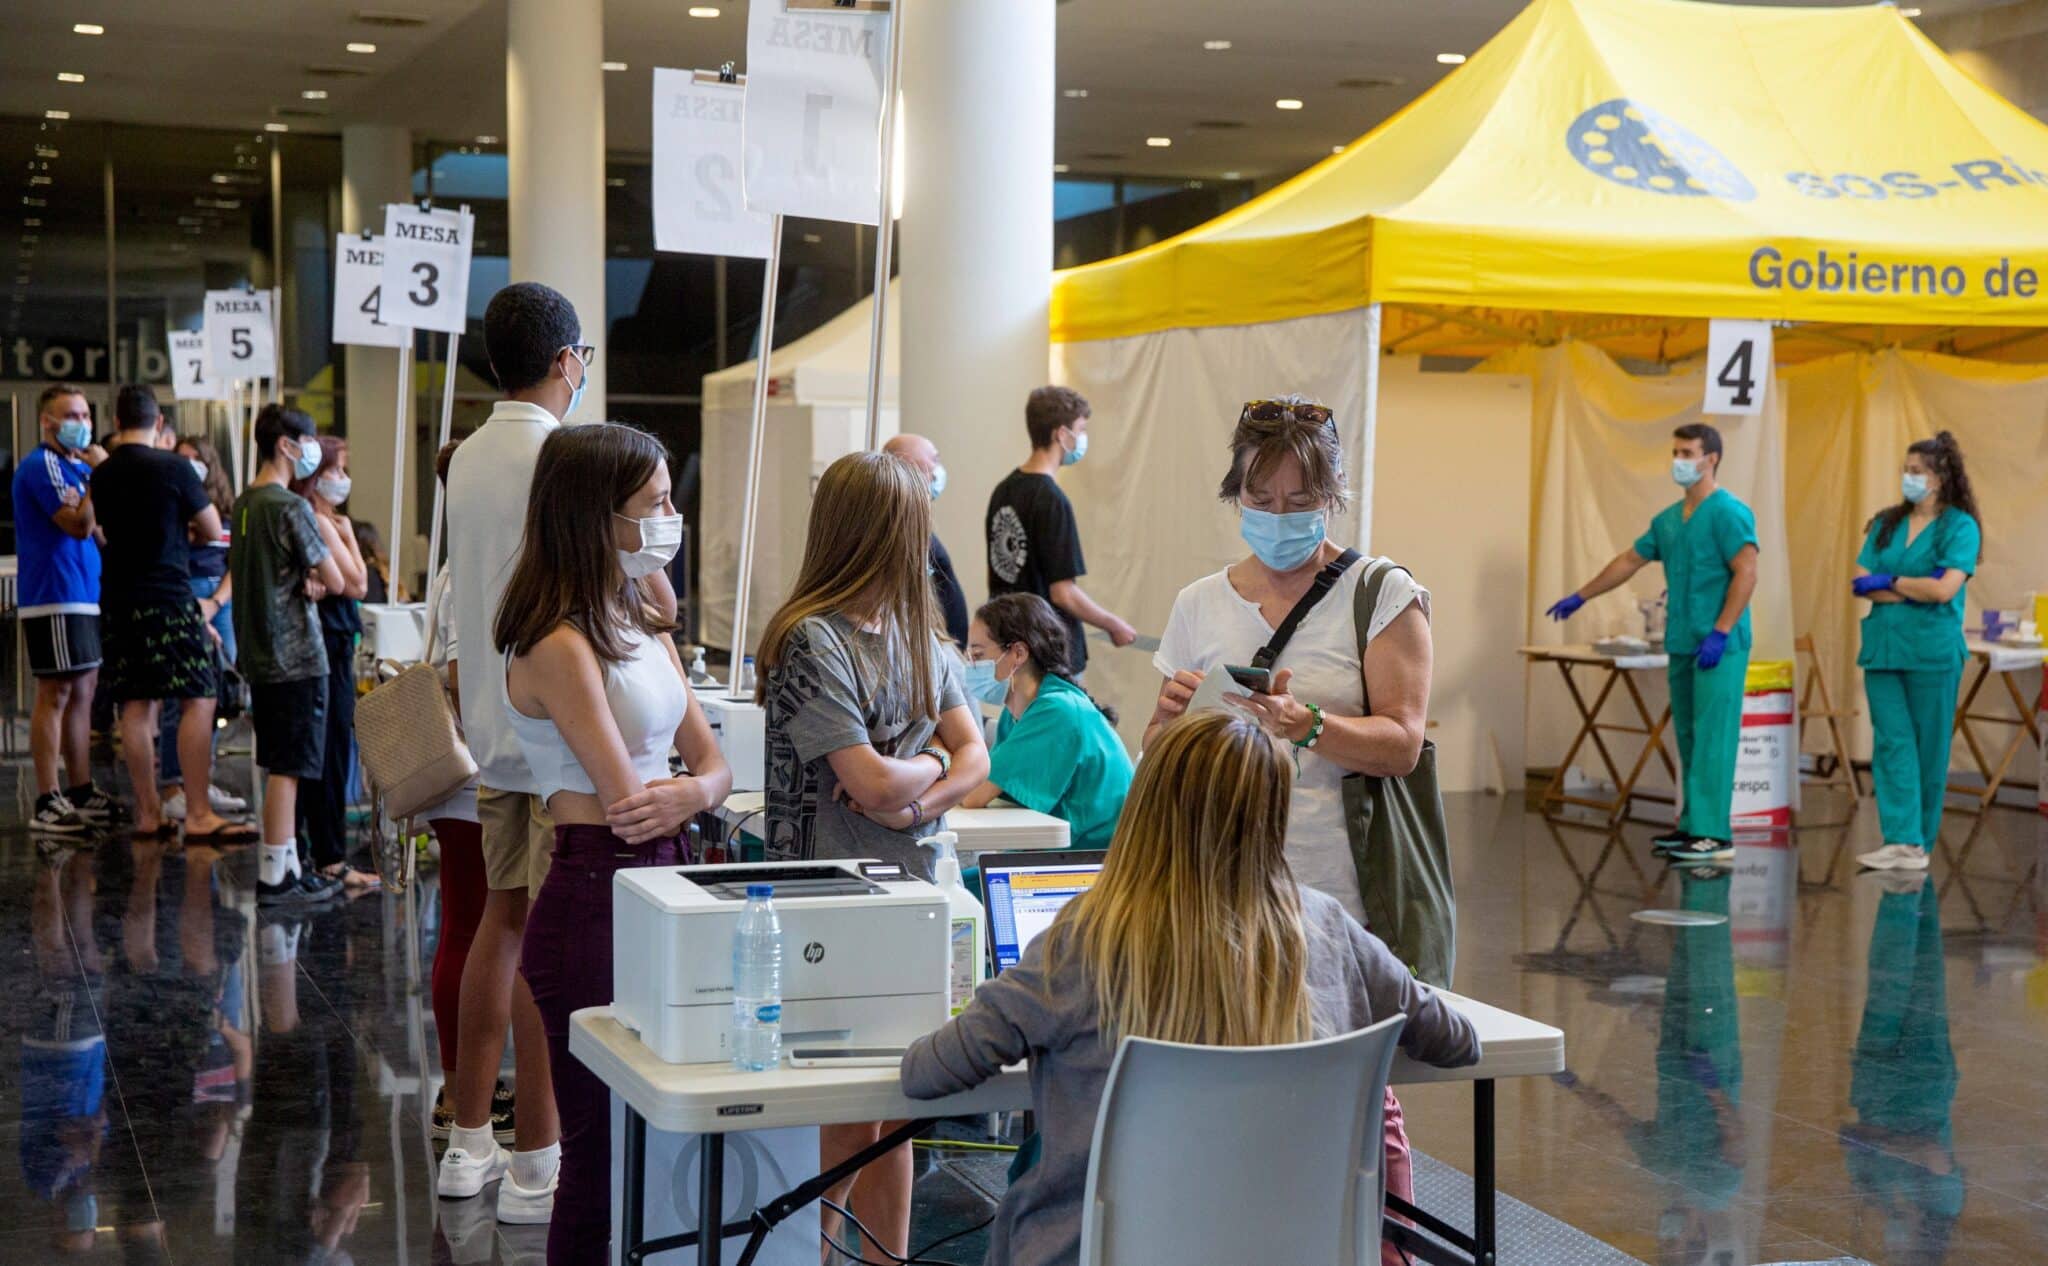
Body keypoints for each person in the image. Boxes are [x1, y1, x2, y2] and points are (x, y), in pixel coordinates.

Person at [903, 710, 1480, 1266]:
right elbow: (1457, 1041)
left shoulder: (1083, 941)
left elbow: (928, 1073)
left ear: (1147, 807)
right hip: (1289, 1250)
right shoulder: (1327, 928)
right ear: (1273, 813)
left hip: (1092, 1250)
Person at [444, 281, 679, 1218]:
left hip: (494, 731)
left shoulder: (463, 456)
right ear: (567, 360)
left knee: (495, 928)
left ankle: (471, 1139)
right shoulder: (567, 457)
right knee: (554, 953)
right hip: (565, 744)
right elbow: (631, 592)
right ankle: (540, 1158)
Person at [498, 422, 731, 1265]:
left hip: (662, 881)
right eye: (656, 504)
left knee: (657, 1141)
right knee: (596, 1155)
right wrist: (689, 794)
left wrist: (695, 794)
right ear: (600, 517)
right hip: (597, 890)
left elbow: (712, 768)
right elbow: (627, 804)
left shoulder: (635, 620)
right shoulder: (557, 642)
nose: (672, 517)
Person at [755, 449, 989, 1258]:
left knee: (900, 1107)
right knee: (850, 1109)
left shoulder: (922, 637)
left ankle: (885, 1255)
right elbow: (867, 779)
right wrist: (926, 772)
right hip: (829, 903)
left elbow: (973, 760)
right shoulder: (809, 642)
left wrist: (919, 790)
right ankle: (816, 1247)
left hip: (914, 894)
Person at [1148, 397, 1432, 923]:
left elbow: (1403, 746)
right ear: (1236, 493)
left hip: (1337, 894)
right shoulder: (1199, 602)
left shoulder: (1381, 594)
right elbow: (1156, 753)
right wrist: (1168, 723)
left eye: (1300, 501)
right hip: (1216, 885)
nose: (1279, 517)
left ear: (1332, 493)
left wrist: (1307, 725)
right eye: (1261, 499)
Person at [1547, 423, 1758, 865]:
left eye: (1687, 453)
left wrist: (1720, 630)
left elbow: (1746, 572)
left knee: (1714, 737)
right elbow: (1629, 560)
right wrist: (1582, 595)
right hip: (1683, 641)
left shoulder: (1729, 513)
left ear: (1711, 458)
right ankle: (1692, 826)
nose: (1678, 461)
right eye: (1676, 452)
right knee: (1689, 735)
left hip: (1719, 641)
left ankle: (1715, 835)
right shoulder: (1668, 520)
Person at [90, 385, 252, 843]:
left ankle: (147, 813)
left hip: (119, 599)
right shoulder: (174, 467)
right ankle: (198, 812)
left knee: (136, 706)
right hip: (168, 595)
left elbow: (97, 528)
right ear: (158, 421)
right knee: (199, 695)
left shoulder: (102, 475)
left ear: (118, 422)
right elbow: (211, 528)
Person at [228, 404, 350, 904]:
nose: (313, 453)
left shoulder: (244, 503)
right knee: (290, 767)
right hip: (297, 656)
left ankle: (291, 865)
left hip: (258, 652)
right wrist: (315, 579)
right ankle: (276, 875)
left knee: (278, 760)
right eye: (308, 442)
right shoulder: (289, 507)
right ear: (286, 445)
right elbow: (339, 580)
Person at [422, 438, 507, 1142]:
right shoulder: (465, 576)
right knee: (469, 928)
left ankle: (467, 1085)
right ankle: (459, 1089)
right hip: (472, 774)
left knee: (473, 927)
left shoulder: (465, 568)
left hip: (479, 775)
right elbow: (458, 678)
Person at [1850, 432, 1980, 872]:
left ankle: (1918, 842)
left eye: (1917, 471)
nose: (1908, 478)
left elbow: (1944, 590)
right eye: (1905, 471)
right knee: (1891, 743)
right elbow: (1860, 578)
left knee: (1928, 747)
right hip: (1884, 648)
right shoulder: (1887, 523)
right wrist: (1910, 589)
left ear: (1941, 478)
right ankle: (1900, 839)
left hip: (1932, 651)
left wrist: (1890, 583)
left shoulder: (1960, 527)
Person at [13, 383, 115, 834]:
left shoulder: (75, 469)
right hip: (54, 593)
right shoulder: (43, 466)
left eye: (86, 415)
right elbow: (76, 524)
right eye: (71, 415)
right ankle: (47, 797)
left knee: (84, 692)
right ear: (47, 421)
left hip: (85, 592)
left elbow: (100, 532)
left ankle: (80, 788)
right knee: (54, 692)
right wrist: (96, 482)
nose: (82, 424)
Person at [959, 593, 1133, 849]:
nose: (970, 665)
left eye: (977, 653)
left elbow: (975, 794)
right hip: (1060, 852)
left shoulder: (1056, 710)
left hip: (1094, 863)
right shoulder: (1016, 714)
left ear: (1018, 653)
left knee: (958, 886)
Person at [985, 386, 1136, 677]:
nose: (1081, 438)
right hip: (1049, 654)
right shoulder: (1052, 500)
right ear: (1061, 434)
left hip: (1012, 649)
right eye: (1080, 429)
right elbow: (1063, 593)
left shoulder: (1003, 491)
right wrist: (1113, 624)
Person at [290, 436, 378, 892]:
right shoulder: (321, 523)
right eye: (337, 469)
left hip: (336, 640)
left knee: (328, 749)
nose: (343, 479)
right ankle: (329, 856)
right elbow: (358, 582)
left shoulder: (322, 521)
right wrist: (344, 536)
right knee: (328, 753)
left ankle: (318, 852)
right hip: (329, 644)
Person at [156, 435, 246, 823]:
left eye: (197, 458)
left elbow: (235, 562)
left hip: (219, 599)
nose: (190, 464)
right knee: (182, 694)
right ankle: (174, 784)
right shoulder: (170, 508)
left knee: (215, 690)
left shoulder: (226, 510)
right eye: (183, 459)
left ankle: (200, 779)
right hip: (184, 593)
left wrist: (217, 602)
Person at [882, 432, 968, 645]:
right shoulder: (899, 531)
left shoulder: (918, 525)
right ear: (909, 465)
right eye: (934, 460)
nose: (937, 471)